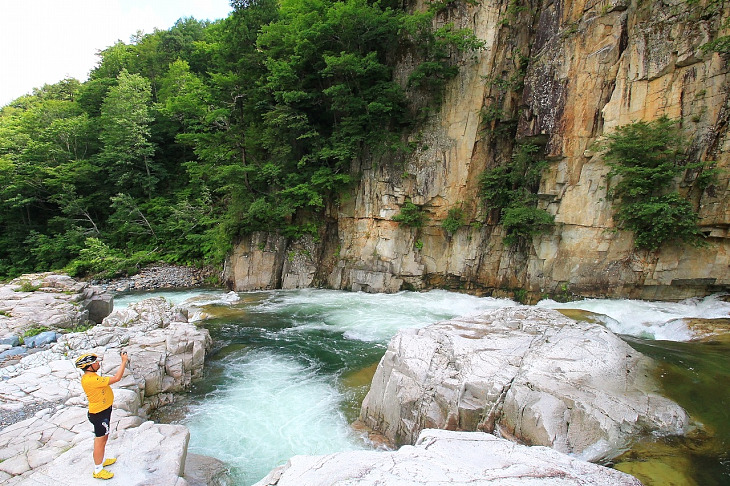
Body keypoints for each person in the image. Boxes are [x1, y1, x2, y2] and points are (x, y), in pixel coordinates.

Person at [75, 351, 129, 480]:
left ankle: (101, 460)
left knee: (103, 439)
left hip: (103, 412)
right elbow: (116, 378)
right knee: (100, 441)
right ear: (89, 366)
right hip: (99, 414)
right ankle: (98, 469)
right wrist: (124, 362)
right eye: (95, 363)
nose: (98, 363)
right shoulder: (92, 380)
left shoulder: (91, 377)